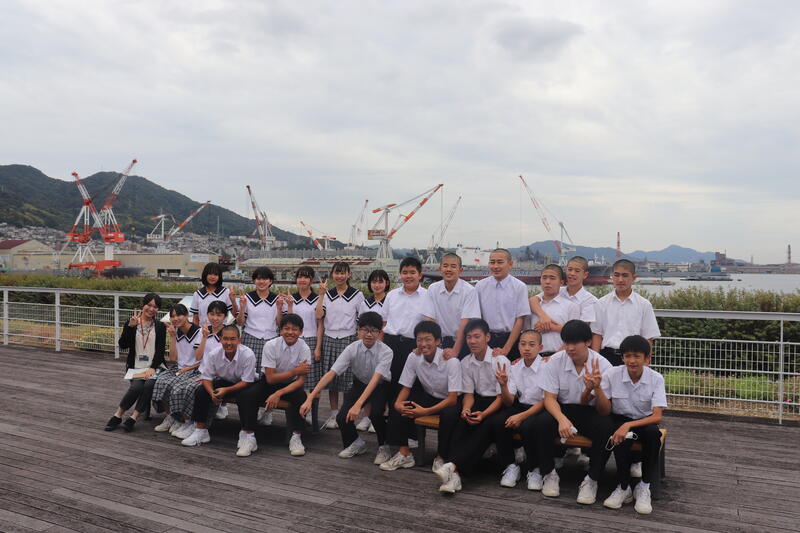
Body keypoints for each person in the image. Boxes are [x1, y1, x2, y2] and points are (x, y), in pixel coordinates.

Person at [532, 319, 613, 504]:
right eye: (566, 342)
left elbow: (605, 410)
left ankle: (592, 479)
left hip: (590, 412)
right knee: (542, 423)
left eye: (575, 343)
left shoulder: (603, 365)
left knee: (606, 427)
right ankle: (549, 473)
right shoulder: (556, 360)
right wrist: (561, 419)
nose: (569, 348)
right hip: (564, 408)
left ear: (588, 342)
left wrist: (597, 388)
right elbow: (549, 398)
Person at [300, 312, 392, 464]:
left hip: (380, 385)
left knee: (376, 414)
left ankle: (384, 446)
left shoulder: (386, 351)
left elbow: (376, 380)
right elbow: (332, 373)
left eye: (374, 330)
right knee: (342, 417)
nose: (369, 334)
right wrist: (310, 397)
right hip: (359, 383)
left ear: (379, 332)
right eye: (365, 329)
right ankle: (355, 443)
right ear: (358, 330)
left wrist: (358, 405)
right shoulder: (352, 348)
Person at [435, 319, 511, 494]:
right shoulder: (466, 362)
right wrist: (466, 409)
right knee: (463, 420)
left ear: (487, 337)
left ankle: (452, 466)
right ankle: (454, 474)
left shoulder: (500, 360)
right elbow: (468, 394)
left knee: (484, 425)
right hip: (478, 400)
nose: (472, 341)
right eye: (469, 337)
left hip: (498, 403)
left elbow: (502, 397)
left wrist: (483, 414)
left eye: (477, 336)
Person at [596, 335, 667, 514]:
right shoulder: (612, 374)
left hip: (644, 421)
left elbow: (657, 416)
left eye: (637, 356)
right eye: (627, 356)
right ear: (622, 358)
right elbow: (604, 410)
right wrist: (596, 389)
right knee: (620, 436)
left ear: (647, 358)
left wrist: (629, 425)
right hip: (619, 419)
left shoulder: (656, 378)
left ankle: (644, 486)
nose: (632, 361)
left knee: (653, 435)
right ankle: (623, 486)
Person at [381, 321, 461, 472]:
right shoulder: (414, 357)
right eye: (419, 340)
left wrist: (425, 411)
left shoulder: (451, 361)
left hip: (449, 401)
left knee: (449, 415)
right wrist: (398, 404)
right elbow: (406, 386)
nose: (423, 344)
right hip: (429, 396)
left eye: (428, 339)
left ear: (438, 341)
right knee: (399, 405)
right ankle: (405, 453)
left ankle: (441, 457)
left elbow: (452, 399)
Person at [236, 313, 311, 457]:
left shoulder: (304, 348)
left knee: (301, 397)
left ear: (301, 332)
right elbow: (270, 378)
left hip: (291, 385)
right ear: (280, 330)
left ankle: (296, 437)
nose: (290, 332)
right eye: (286, 328)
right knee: (248, 395)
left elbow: (301, 380)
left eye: (294, 329)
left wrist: (278, 393)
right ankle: (249, 436)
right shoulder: (271, 345)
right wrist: (295, 371)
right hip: (270, 382)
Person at [157, 300, 228, 439]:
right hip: (202, 371)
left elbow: (227, 360)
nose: (215, 318)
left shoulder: (227, 333)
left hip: (217, 375)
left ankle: (192, 423)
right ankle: (181, 420)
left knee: (189, 388)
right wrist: (205, 337)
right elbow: (198, 356)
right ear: (207, 315)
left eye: (219, 315)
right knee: (175, 385)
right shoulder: (204, 331)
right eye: (212, 314)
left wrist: (208, 376)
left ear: (225, 316)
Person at [181, 325, 257, 448]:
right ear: (220, 339)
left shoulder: (248, 354)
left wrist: (226, 390)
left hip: (244, 383)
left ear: (239, 340)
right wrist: (211, 393)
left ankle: (246, 433)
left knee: (246, 396)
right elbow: (207, 378)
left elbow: (247, 381)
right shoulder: (214, 354)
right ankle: (201, 430)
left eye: (232, 339)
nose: (229, 343)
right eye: (225, 339)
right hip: (225, 380)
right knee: (201, 391)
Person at [493, 330, 550, 490]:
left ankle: (534, 469)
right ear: (518, 346)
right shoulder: (514, 367)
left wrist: (522, 416)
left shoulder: (547, 366)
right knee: (498, 421)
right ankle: (511, 466)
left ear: (540, 347)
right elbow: (509, 400)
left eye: (532, 345)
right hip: (521, 406)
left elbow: (547, 400)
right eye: (523, 344)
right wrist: (503, 385)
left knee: (528, 426)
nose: (527, 348)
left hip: (542, 408)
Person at [313, 261, 364, 429]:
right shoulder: (327, 294)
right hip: (329, 338)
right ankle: (334, 414)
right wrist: (321, 295)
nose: (340, 276)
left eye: (343, 273)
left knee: (348, 381)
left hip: (349, 338)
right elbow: (319, 316)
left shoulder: (357, 295)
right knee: (332, 380)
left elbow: (361, 321)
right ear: (332, 274)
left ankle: (346, 413)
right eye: (337, 272)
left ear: (349, 274)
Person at [105, 293, 166, 432]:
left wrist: (153, 367)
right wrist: (130, 327)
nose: (151, 309)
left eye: (155, 307)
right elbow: (123, 345)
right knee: (136, 388)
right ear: (142, 305)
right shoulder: (132, 322)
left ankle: (133, 417)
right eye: (149, 305)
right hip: (136, 367)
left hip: (154, 367)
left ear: (158, 309)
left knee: (149, 385)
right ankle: (118, 415)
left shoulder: (160, 326)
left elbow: (160, 350)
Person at [591, 259, 661, 367]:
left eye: (625, 275)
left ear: (633, 278)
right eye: (616, 275)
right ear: (612, 276)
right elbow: (597, 334)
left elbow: (648, 337)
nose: (620, 279)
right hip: (607, 357)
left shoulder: (644, 305)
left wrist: (645, 363)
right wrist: (595, 361)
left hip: (633, 358)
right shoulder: (601, 303)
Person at [237, 266, 281, 425]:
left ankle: (268, 412)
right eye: (258, 278)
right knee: (249, 375)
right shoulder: (247, 298)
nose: (261, 281)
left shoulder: (277, 299)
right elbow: (240, 322)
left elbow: (280, 323)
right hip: (251, 338)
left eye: (265, 278)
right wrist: (242, 307)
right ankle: (251, 410)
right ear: (254, 280)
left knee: (269, 377)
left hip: (271, 339)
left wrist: (280, 308)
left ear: (270, 281)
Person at [150, 304, 203, 433]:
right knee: (160, 381)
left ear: (187, 316)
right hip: (179, 368)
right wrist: (173, 337)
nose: (175, 318)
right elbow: (173, 359)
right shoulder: (176, 331)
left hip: (195, 370)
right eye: (173, 316)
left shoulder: (199, 332)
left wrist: (187, 369)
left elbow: (202, 360)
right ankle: (170, 417)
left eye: (179, 315)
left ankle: (181, 419)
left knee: (176, 386)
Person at [383, 257, 428, 401]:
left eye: (412, 272)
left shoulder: (427, 296)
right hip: (391, 344)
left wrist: (422, 346)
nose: (408, 276)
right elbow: (384, 322)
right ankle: (392, 414)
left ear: (420, 275)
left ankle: (409, 414)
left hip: (415, 346)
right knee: (391, 384)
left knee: (413, 386)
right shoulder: (391, 295)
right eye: (404, 272)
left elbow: (430, 324)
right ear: (400, 274)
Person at [421, 253, 480, 360]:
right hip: (439, 342)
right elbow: (429, 320)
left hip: (462, 343)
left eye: (453, 266)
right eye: (445, 266)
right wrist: (431, 345)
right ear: (440, 269)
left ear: (460, 270)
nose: (448, 269)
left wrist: (455, 351)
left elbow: (465, 323)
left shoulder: (469, 291)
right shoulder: (433, 289)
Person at [474, 249, 529, 361]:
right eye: (492, 262)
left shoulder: (519, 287)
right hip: (487, 339)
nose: (495, 266)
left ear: (510, 264)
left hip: (511, 340)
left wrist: (506, 349)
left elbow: (520, 320)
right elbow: (477, 318)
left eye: (500, 262)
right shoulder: (480, 286)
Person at [355, 268, 391, 432]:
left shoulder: (390, 301)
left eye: (380, 281)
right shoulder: (365, 303)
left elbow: (386, 326)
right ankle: (367, 416)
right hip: (366, 346)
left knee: (381, 382)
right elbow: (361, 326)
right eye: (374, 281)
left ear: (386, 283)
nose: (377, 285)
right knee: (367, 380)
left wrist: (379, 346)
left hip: (383, 346)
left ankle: (379, 415)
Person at [525, 264, 580, 356]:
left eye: (552, 278)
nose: (547, 282)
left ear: (561, 282)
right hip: (535, 357)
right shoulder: (532, 306)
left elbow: (575, 336)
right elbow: (526, 333)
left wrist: (555, 357)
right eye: (544, 278)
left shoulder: (571, 306)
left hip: (562, 355)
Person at [530, 256, 597, 327]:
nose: (572, 273)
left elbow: (581, 328)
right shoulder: (558, 290)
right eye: (570, 269)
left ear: (585, 275)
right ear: (565, 270)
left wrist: (548, 326)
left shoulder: (590, 300)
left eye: (577, 271)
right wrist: (543, 316)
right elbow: (533, 300)